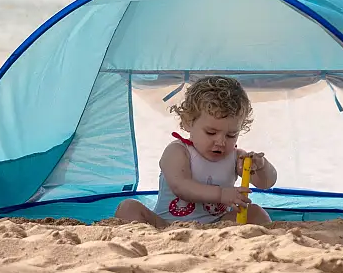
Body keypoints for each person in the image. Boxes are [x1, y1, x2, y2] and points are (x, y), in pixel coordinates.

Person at [115, 76, 277, 228]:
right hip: (165, 226)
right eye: (211, 133)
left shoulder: (237, 157)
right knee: (128, 207)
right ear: (188, 123)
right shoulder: (178, 151)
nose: (220, 142)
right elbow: (181, 186)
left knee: (255, 212)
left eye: (231, 135)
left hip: (218, 226)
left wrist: (260, 166)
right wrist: (221, 194)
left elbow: (266, 183)